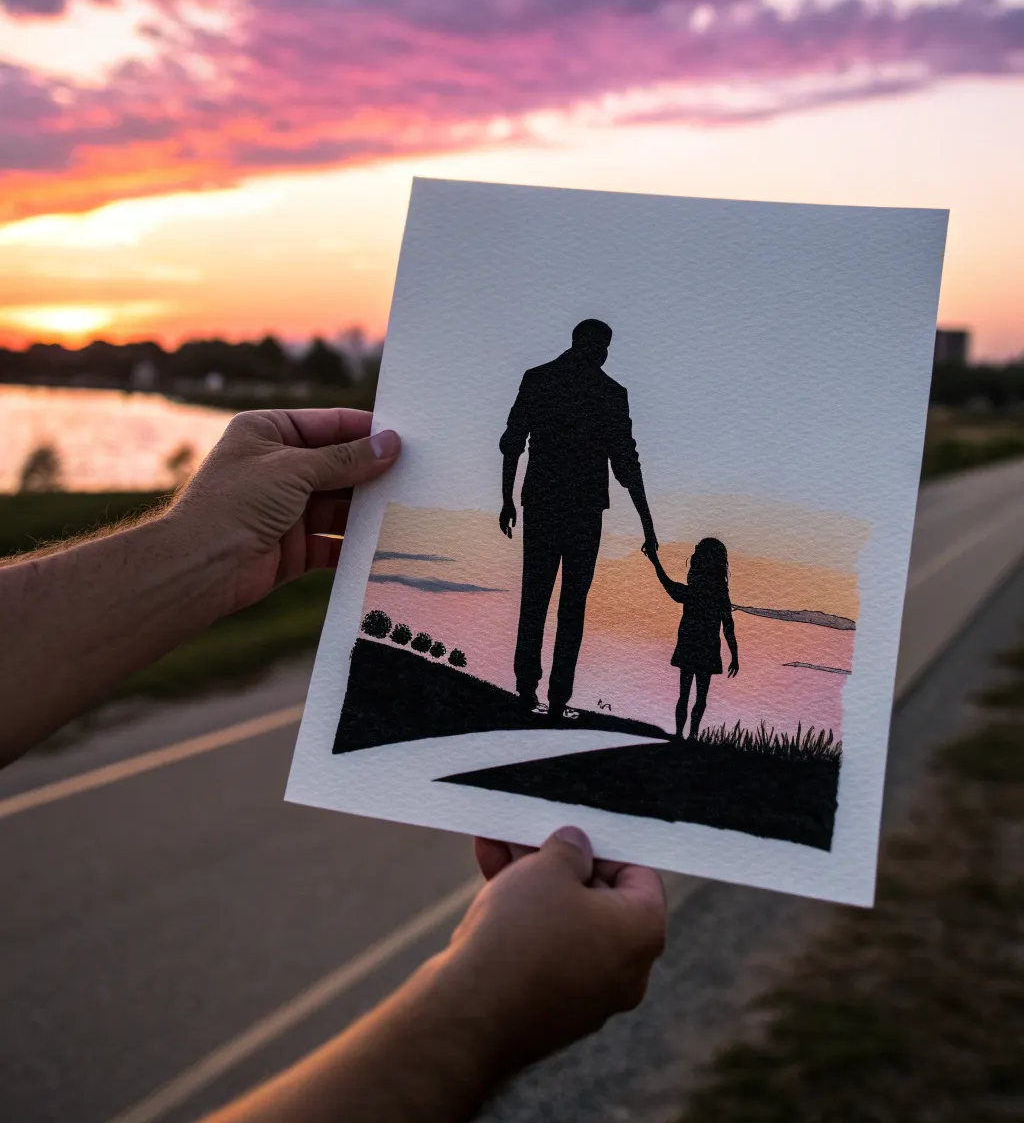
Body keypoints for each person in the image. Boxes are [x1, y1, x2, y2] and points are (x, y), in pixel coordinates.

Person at [0, 406, 667, 1123]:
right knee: (562, 605)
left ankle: (542, 695)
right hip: (568, 507)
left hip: (547, 503)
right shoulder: (590, 392)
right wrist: (487, 1009)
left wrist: (196, 545)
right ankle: (548, 696)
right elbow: (592, 454)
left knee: (548, 602)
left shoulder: (556, 385)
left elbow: (538, 446)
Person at [499, 320, 658, 721]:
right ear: (600, 348)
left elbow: (513, 443)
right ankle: (553, 698)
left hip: (546, 505)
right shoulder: (610, 394)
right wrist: (647, 523)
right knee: (571, 605)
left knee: (536, 598)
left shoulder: (540, 379)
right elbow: (626, 462)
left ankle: (528, 692)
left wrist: (506, 499)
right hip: (582, 512)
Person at [647, 536, 739, 741]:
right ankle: (692, 736)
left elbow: (670, 587)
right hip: (707, 649)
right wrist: (734, 654)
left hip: (690, 645)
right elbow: (728, 627)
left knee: (685, 694)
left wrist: (656, 562)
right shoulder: (720, 595)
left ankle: (681, 735)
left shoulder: (695, 591)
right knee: (699, 697)